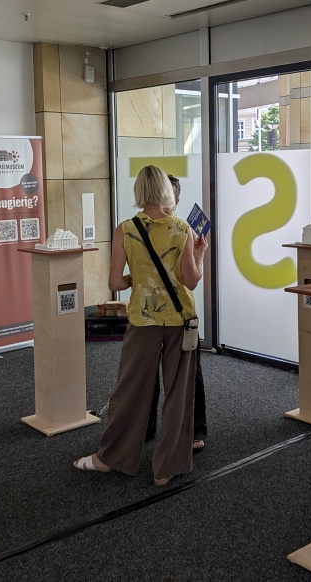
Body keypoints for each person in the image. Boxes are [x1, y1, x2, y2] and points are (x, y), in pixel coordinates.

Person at [74, 165, 208, 486]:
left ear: (139, 191)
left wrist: (139, 277)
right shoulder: (182, 228)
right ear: (166, 190)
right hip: (179, 319)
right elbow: (191, 281)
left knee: (130, 389)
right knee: (179, 393)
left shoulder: (125, 229)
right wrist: (200, 254)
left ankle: (111, 457)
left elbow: (115, 283)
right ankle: (167, 468)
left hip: (142, 319)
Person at [145, 175, 208, 453]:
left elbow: (190, 280)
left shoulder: (184, 230)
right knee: (148, 375)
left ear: (176, 200)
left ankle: (193, 430)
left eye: (166, 195)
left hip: (175, 313)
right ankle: (146, 428)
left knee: (188, 375)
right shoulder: (139, 228)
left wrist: (198, 254)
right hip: (153, 313)